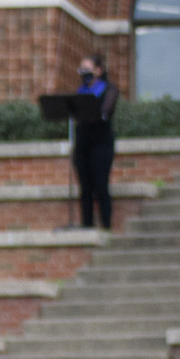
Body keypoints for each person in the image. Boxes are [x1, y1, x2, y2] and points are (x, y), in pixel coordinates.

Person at [74, 53, 119, 231]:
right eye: (82, 69)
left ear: (98, 71)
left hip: (101, 143)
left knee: (101, 186)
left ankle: (106, 226)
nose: (84, 73)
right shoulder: (80, 91)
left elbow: (105, 112)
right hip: (82, 143)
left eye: (88, 69)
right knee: (85, 187)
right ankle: (87, 225)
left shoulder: (109, 89)